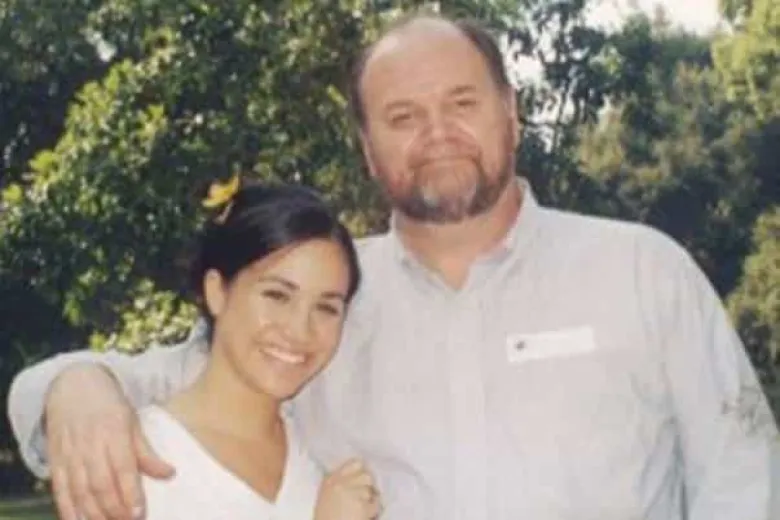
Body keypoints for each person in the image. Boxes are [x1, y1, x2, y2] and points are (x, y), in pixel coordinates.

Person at [8, 12, 779, 520]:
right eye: (402, 116)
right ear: (368, 148)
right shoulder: (325, 303)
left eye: (462, 103)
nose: (437, 133)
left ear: (511, 112)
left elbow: (744, 480)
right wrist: (75, 388)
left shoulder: (642, 274)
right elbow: (170, 377)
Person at [31, 178, 381, 520]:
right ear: (217, 292)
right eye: (277, 295)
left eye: (326, 308)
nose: (299, 330)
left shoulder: (319, 461)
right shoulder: (138, 458)